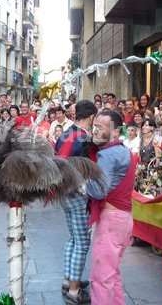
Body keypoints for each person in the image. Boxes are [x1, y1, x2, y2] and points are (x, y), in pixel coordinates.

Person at [86, 110, 137, 305]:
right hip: (123, 219)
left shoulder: (107, 154)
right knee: (112, 273)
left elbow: (98, 191)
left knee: (101, 278)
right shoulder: (123, 150)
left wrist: (83, 179)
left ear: (115, 132)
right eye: (95, 126)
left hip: (111, 220)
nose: (95, 131)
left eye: (101, 127)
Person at [55, 100, 98, 304]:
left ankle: (68, 279)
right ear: (90, 117)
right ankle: (74, 290)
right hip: (77, 193)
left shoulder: (65, 134)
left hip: (63, 192)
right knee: (82, 241)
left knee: (73, 238)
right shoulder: (83, 139)